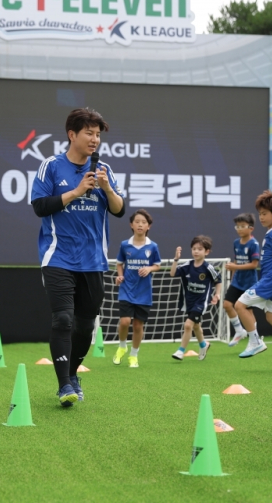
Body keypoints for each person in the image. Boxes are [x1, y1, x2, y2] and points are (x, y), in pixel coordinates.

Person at [31, 108, 125, 407]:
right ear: (72, 135)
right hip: (58, 257)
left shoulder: (105, 170)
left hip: (94, 261)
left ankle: (72, 375)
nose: (94, 140)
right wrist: (76, 191)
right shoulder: (51, 166)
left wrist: (107, 188)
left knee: (86, 326)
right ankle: (63, 386)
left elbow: (120, 209)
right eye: (89, 133)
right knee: (63, 319)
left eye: (98, 135)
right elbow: (40, 207)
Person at [233, 190, 272, 368]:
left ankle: (255, 341)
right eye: (260, 213)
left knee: (239, 305)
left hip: (270, 281)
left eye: (265, 214)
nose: (261, 217)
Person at [113, 209, 161, 368]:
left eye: (144, 222)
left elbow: (157, 265)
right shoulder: (125, 245)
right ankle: (121, 346)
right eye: (137, 222)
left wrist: (149, 269)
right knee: (125, 321)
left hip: (144, 291)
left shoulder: (153, 246)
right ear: (131, 225)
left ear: (149, 226)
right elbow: (119, 263)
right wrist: (120, 276)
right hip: (126, 289)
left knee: (138, 325)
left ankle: (133, 355)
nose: (140, 224)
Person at [169, 236, 221, 361]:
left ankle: (180, 351)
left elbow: (218, 281)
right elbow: (172, 273)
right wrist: (176, 259)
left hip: (201, 302)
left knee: (188, 325)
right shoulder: (187, 265)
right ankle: (204, 345)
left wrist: (217, 294)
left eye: (200, 249)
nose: (196, 251)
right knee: (196, 326)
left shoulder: (208, 268)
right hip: (189, 301)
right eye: (194, 249)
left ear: (206, 252)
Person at [224, 213, 261, 346]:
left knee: (248, 311)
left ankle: (255, 338)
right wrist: (233, 275)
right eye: (237, 226)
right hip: (237, 282)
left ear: (251, 228)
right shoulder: (236, 242)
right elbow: (236, 260)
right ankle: (239, 331)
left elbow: (254, 265)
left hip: (249, 283)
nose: (239, 229)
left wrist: (236, 266)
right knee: (227, 305)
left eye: (242, 226)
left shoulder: (254, 244)